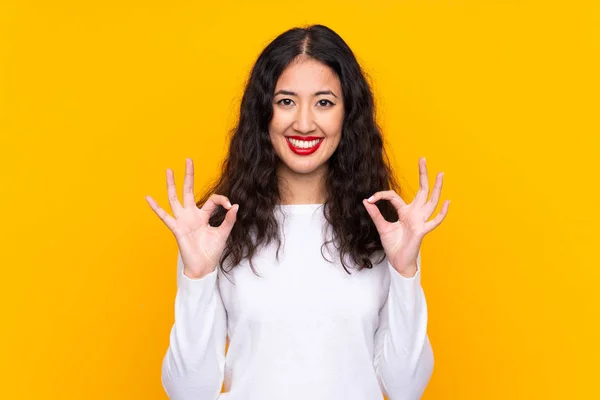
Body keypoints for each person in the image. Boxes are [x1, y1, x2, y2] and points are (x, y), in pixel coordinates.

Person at [145, 24, 449, 400]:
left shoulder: (384, 230)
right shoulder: (219, 232)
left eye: (324, 102)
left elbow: (406, 388)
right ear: (263, 113)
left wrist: (405, 273)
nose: (304, 123)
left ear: (348, 114)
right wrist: (196, 276)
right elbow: (188, 392)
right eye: (286, 101)